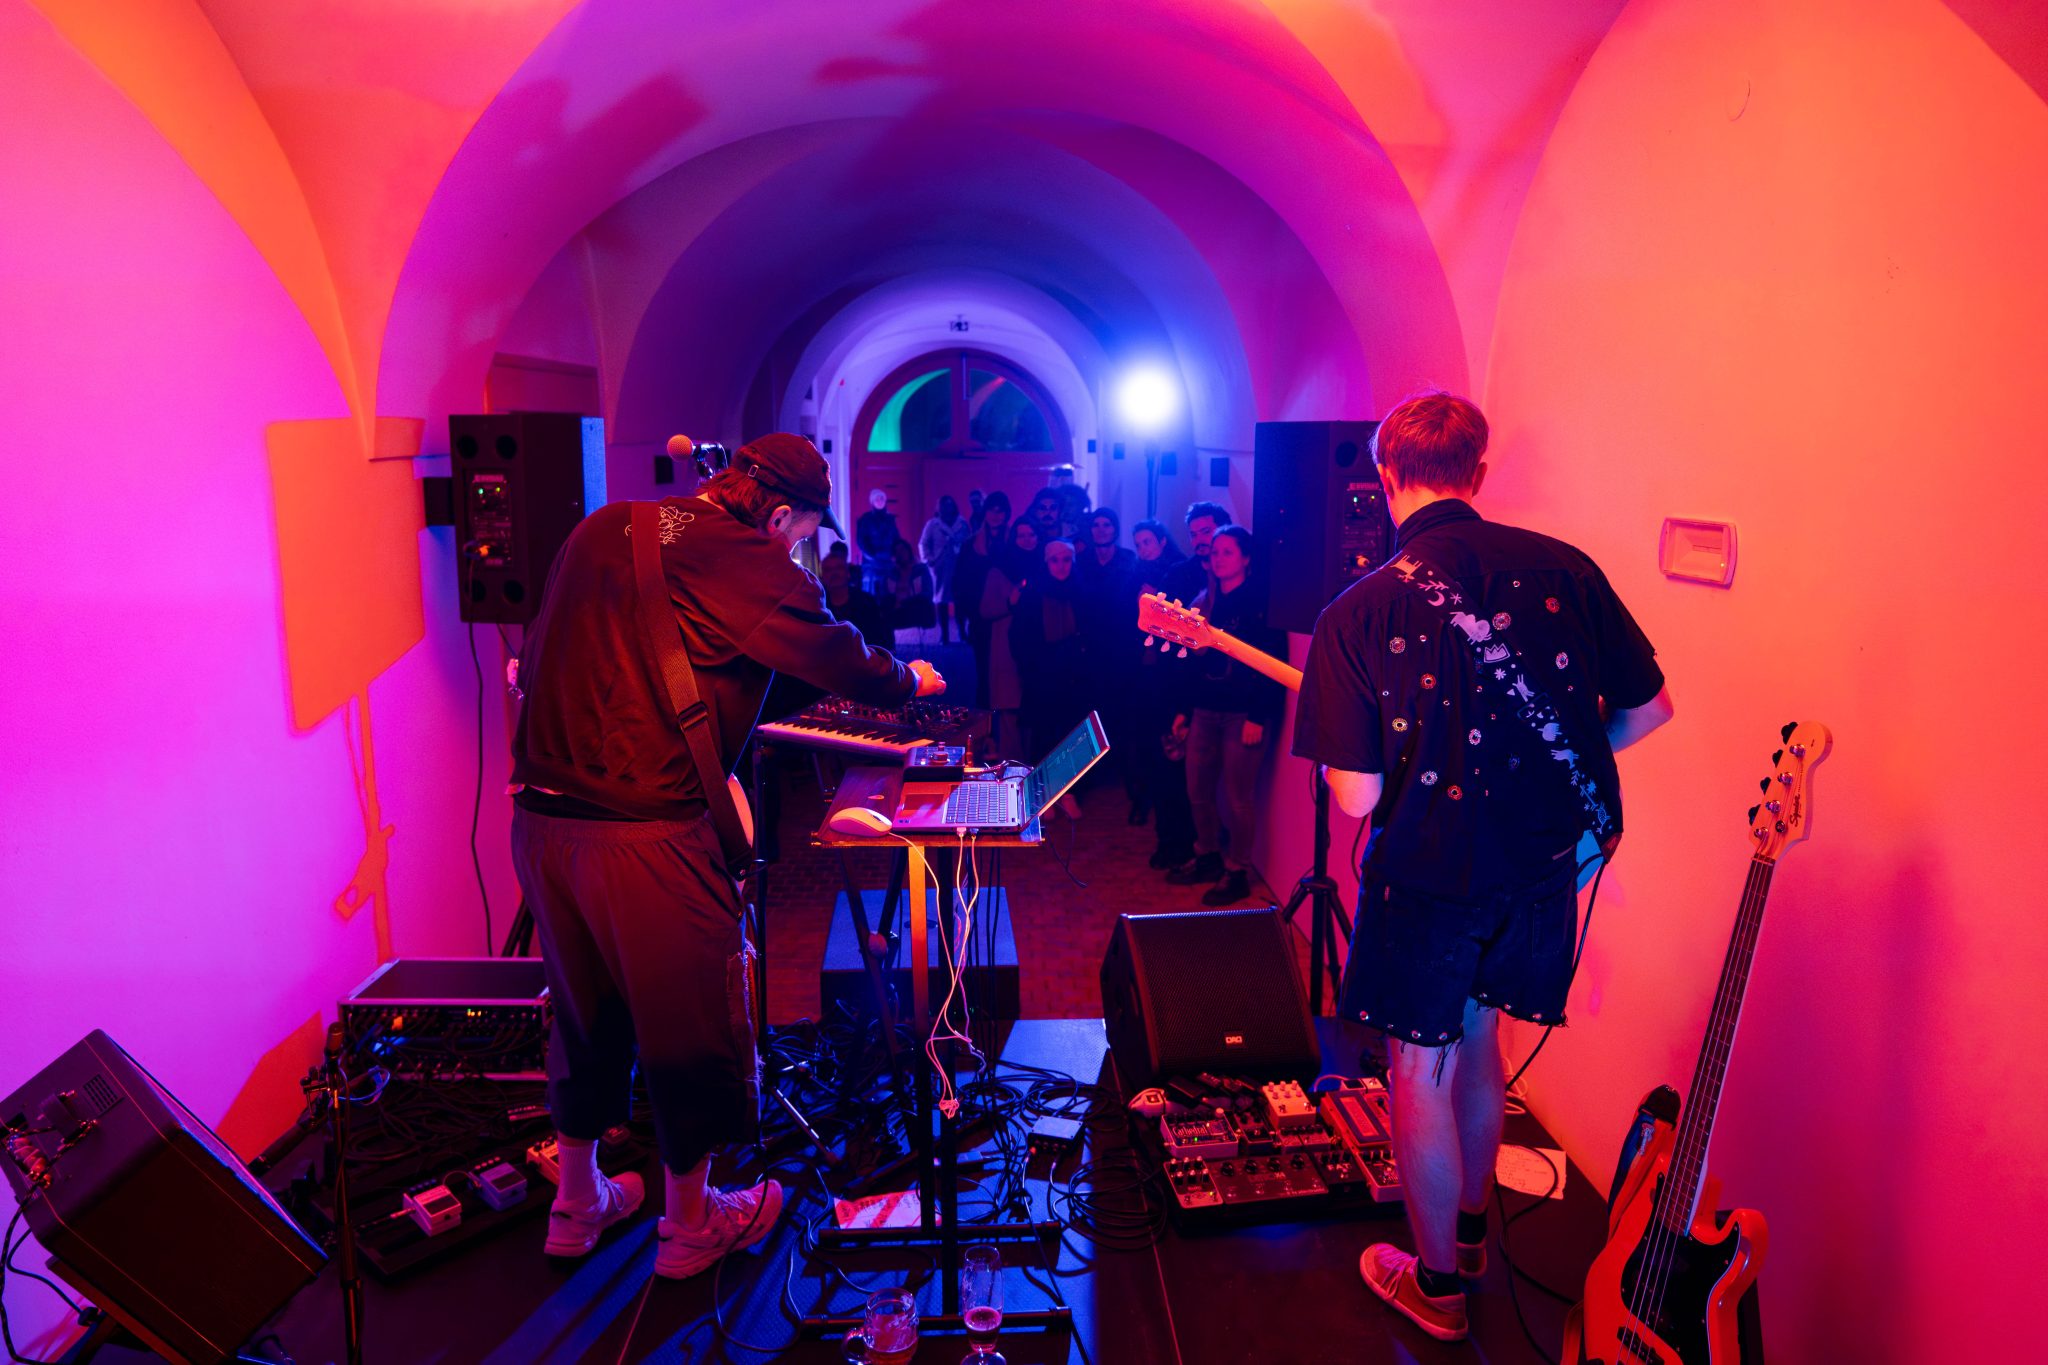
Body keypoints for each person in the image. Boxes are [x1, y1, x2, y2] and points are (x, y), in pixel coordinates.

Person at [509, 433, 944, 1280]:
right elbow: (835, 653)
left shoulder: (603, 525)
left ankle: (578, 1200)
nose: (801, 548)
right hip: (645, 837)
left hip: (541, 824)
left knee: (583, 1012)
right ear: (779, 516)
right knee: (693, 1023)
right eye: (804, 533)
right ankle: (692, 1223)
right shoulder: (746, 557)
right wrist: (910, 679)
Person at [1292, 393, 1673, 1342]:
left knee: (1417, 1069)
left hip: (1429, 877)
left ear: (1385, 477)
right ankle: (1468, 1240)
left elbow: (1356, 800)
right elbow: (1650, 708)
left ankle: (1436, 1289)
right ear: (1480, 474)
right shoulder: (1567, 568)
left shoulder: (1359, 608)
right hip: (1542, 871)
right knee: (1481, 1042)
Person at [1167, 526, 1284, 905]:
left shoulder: (1260, 602)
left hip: (1242, 713)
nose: (1217, 558)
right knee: (1197, 790)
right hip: (1205, 708)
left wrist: (1258, 716)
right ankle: (1208, 856)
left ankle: (1237, 871)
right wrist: (1184, 711)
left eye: (1227, 552)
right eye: (1215, 552)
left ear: (1246, 558)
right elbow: (1191, 663)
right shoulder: (1207, 600)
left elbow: (1272, 662)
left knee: (1238, 798)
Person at [1130, 519, 1195, 866]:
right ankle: (1166, 835)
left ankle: (1182, 841)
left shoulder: (1179, 573)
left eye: (1147, 541)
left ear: (1162, 540)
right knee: (1154, 756)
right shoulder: (1135, 572)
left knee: (1175, 762)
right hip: (1147, 675)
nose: (1143, 548)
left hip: (1173, 676)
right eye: (1138, 543)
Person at [1009, 537, 1088, 756]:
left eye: (1066, 560)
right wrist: (1031, 668)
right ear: (1047, 563)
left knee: (1072, 735)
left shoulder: (1081, 591)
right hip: (1043, 676)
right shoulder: (1033, 593)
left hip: (1074, 676)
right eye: (1055, 560)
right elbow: (1019, 636)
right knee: (1044, 736)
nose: (1061, 566)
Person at [953, 492, 1011, 707]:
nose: (996, 515)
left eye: (1000, 511)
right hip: (980, 616)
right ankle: (984, 719)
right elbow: (960, 582)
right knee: (983, 670)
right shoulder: (971, 545)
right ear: (985, 513)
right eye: (991, 510)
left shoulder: (1013, 542)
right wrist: (965, 617)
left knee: (1008, 670)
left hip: (1008, 616)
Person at [920, 494, 968, 643]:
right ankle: (944, 634)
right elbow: (923, 543)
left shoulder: (962, 523)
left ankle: (962, 632)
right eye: (944, 505)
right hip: (940, 566)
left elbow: (968, 542)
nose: (947, 508)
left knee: (960, 599)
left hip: (959, 565)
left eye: (949, 505)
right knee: (942, 600)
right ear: (938, 508)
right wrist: (929, 560)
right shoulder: (932, 524)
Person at [1163, 500, 1228, 607]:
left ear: (1225, 531)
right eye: (1193, 535)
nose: (1199, 540)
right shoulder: (1178, 574)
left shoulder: (1239, 572)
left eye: (1206, 532)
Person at [887, 539, 937, 643]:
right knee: (882, 615)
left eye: (903, 550)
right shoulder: (891, 573)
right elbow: (885, 594)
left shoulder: (921, 570)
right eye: (897, 551)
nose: (901, 554)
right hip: (895, 610)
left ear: (909, 551)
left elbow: (927, 593)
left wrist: (905, 602)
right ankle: (888, 648)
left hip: (916, 609)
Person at [855, 487, 900, 597]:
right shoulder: (865, 519)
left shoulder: (890, 519)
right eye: (877, 499)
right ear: (872, 501)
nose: (880, 501)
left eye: (882, 498)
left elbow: (896, 538)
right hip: (871, 563)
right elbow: (861, 541)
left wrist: (895, 554)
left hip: (888, 562)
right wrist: (873, 556)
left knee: (889, 592)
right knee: (871, 593)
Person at [1048, 463, 1091, 534]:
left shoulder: (1091, 529)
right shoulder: (1051, 529)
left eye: (1070, 505)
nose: (1066, 508)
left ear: (1081, 506)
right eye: (1063, 504)